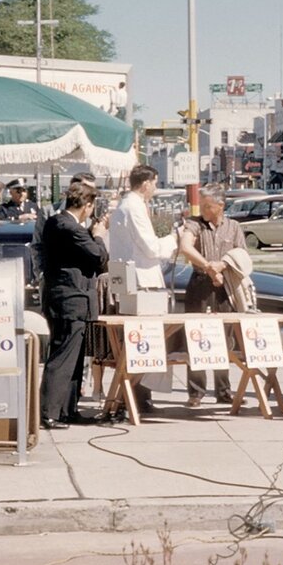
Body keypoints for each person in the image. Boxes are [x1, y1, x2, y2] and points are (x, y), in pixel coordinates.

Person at [38, 181, 109, 429]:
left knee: (75, 357)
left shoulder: (57, 223)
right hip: (71, 300)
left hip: (68, 299)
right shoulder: (69, 227)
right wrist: (98, 236)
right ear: (87, 206)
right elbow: (99, 258)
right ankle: (49, 411)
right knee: (64, 357)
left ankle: (67, 408)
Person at [109, 165, 178, 412]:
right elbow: (150, 247)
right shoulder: (134, 207)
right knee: (145, 342)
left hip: (136, 280)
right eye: (155, 183)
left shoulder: (126, 205)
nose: (156, 189)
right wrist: (173, 239)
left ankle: (140, 394)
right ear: (147, 183)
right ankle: (138, 395)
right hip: (142, 282)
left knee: (141, 342)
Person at [177, 183, 245, 407]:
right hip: (200, 285)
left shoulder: (234, 227)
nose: (204, 211)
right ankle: (195, 391)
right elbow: (186, 247)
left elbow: (241, 255)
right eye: (202, 206)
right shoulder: (195, 224)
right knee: (196, 336)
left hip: (225, 287)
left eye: (208, 207)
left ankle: (224, 390)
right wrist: (208, 267)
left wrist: (222, 266)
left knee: (224, 339)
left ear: (221, 206)